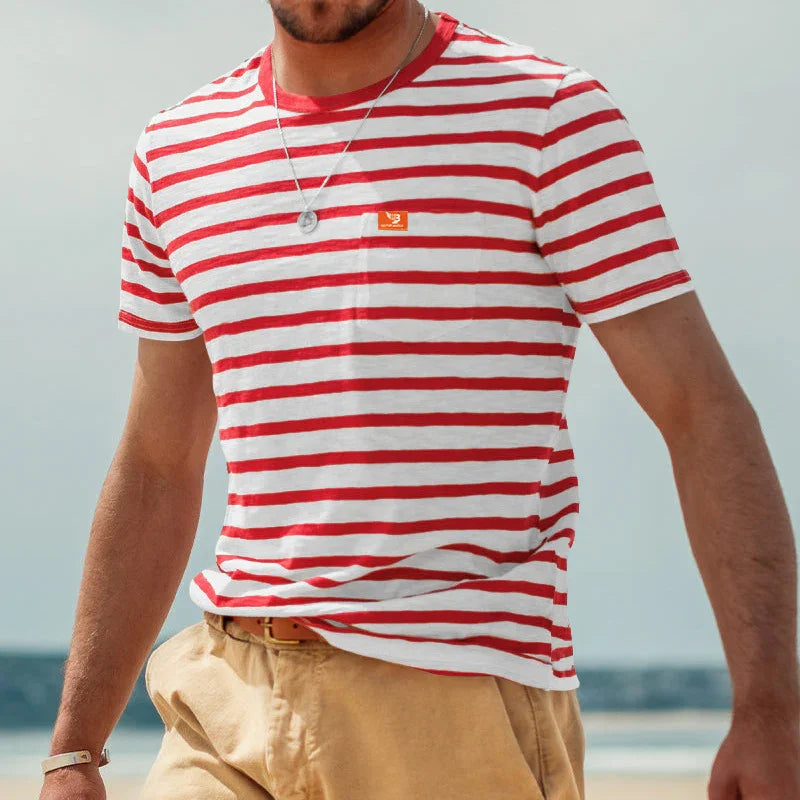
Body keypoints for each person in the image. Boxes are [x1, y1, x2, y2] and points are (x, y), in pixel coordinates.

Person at [40, 1, 800, 799]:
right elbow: (158, 461)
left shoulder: (546, 116)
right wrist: (73, 750)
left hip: (453, 700)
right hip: (227, 693)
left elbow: (700, 409)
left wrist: (770, 709)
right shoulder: (178, 151)